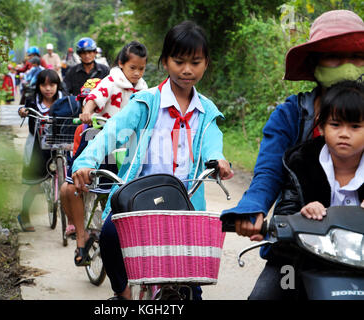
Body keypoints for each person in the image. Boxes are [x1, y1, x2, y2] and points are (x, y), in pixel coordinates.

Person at [72, 21, 233, 300]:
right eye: (178, 61)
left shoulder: (206, 112)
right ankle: (122, 294)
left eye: (195, 62)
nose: (186, 70)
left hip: (186, 202)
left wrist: (218, 160)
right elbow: (109, 135)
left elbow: (212, 143)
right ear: (165, 62)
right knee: (110, 235)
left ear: (206, 63)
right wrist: (85, 162)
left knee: (192, 287)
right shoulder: (145, 104)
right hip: (137, 199)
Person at [219, 10, 364, 299]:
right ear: (315, 64)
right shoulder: (291, 115)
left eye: (356, 57)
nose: (347, 66)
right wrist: (253, 210)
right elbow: (268, 172)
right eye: (335, 57)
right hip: (298, 249)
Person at [250, 80, 364, 300]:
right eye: (336, 124)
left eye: (355, 126)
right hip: (301, 259)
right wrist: (302, 212)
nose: (344, 133)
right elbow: (286, 211)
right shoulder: (300, 162)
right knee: (264, 296)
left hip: (360, 261)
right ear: (320, 127)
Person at [60, 41, 148, 264]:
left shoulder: (144, 89)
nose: (137, 73)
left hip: (128, 147)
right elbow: (93, 98)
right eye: (132, 68)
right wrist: (87, 113)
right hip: (100, 140)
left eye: (141, 68)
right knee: (73, 185)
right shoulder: (110, 81)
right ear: (121, 64)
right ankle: (82, 237)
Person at [17, 69, 64, 232]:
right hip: (37, 148)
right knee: (35, 186)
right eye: (44, 85)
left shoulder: (63, 100)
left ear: (58, 85)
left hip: (59, 148)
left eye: (52, 84)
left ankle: (70, 223)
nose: (48, 89)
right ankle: (24, 214)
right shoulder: (32, 101)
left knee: (66, 183)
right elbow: (22, 110)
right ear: (38, 86)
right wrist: (22, 111)